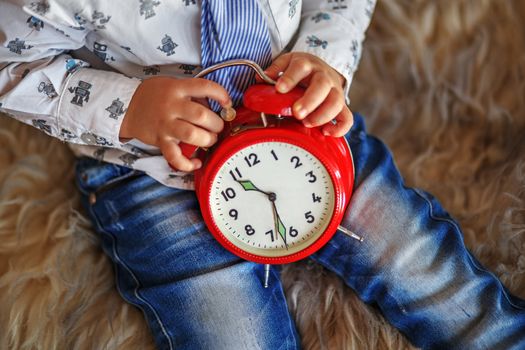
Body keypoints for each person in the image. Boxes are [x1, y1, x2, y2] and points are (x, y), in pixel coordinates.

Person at [1, 1, 524, 349]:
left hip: (304, 122)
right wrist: (128, 107)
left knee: (411, 257)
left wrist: (325, 59)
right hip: (154, 166)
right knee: (225, 323)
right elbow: (10, 66)